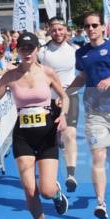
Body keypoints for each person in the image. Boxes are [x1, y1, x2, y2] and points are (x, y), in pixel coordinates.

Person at [0, 32, 69, 219]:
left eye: (31, 48)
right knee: (30, 190)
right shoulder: (10, 77)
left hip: (47, 134)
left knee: (46, 190)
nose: (27, 52)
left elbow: (64, 97)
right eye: (23, 48)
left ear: (37, 50)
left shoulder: (47, 73)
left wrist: (63, 115)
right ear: (18, 51)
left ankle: (56, 194)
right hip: (23, 137)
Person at [67, 11, 110, 219]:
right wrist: (65, 93)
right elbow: (83, 77)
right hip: (94, 112)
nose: (90, 29)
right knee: (98, 156)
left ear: (102, 27)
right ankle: (101, 203)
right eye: (87, 26)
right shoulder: (81, 53)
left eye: (94, 25)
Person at [39, 17, 81, 192]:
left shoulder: (75, 50)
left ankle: (71, 174)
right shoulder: (42, 52)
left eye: (60, 29)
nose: (57, 33)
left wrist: (65, 95)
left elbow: (82, 76)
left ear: (66, 30)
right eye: (54, 30)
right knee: (51, 138)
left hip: (70, 98)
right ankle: (51, 176)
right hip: (47, 100)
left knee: (70, 134)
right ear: (49, 30)